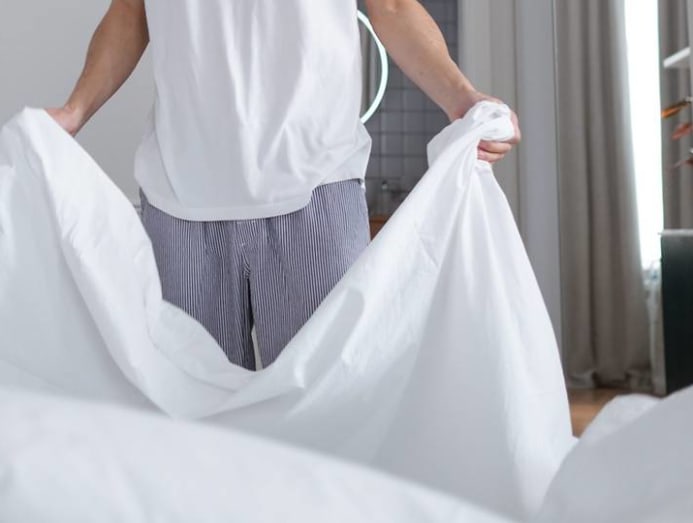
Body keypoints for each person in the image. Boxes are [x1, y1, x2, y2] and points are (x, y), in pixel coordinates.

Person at [47, 0, 521, 371]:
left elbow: (392, 7)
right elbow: (131, 12)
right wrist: (75, 111)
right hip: (180, 197)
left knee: (327, 415)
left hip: (317, 188)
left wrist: (462, 97)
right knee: (192, 426)